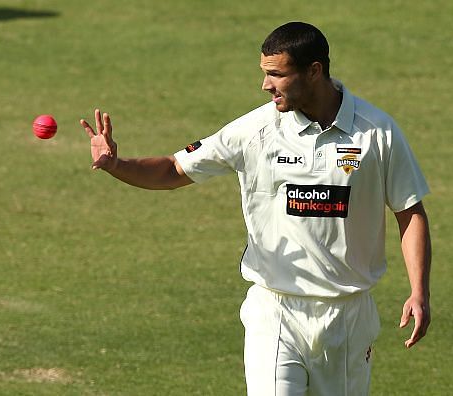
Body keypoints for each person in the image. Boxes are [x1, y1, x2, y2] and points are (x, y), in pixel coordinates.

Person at [80, 21, 431, 396]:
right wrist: (118, 165)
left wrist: (418, 291)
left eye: (277, 74)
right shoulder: (256, 130)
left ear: (314, 71)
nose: (266, 85)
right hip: (275, 311)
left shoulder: (377, 132)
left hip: (347, 316)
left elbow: (409, 211)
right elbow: (172, 169)